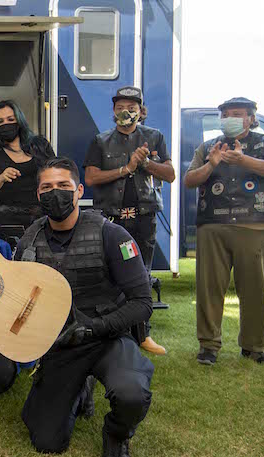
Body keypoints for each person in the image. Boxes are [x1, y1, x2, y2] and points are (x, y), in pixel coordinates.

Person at [16, 157, 154, 457]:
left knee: (131, 391)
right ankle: (80, 391)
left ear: (78, 190)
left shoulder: (112, 235)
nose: (55, 193)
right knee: (46, 442)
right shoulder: (29, 240)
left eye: (63, 186)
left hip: (107, 336)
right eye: (46, 187)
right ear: (38, 195)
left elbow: (142, 302)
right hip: (63, 344)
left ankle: (117, 439)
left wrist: (95, 327)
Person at [184, 97, 264, 367]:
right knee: (209, 288)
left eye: (237, 113)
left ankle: (253, 348)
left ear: (252, 118)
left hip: (254, 223)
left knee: (254, 289)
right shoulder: (208, 146)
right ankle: (208, 346)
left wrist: (244, 160)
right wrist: (211, 164)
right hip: (212, 225)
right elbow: (189, 180)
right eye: (225, 114)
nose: (229, 117)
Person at [83, 87, 175, 356]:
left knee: (142, 275)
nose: (127, 111)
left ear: (141, 111)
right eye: (121, 106)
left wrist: (145, 164)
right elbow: (90, 178)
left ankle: (143, 334)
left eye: (132, 107)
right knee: (109, 274)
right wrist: (126, 169)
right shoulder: (100, 141)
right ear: (113, 111)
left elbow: (169, 174)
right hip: (112, 219)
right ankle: (112, 331)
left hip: (144, 218)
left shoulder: (155, 137)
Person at [0, 100, 55, 248]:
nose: (6, 124)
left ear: (19, 121)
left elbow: (56, 174)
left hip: (42, 222)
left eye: (11, 119)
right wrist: (0, 178)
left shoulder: (40, 145)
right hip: (7, 226)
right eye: (0, 121)